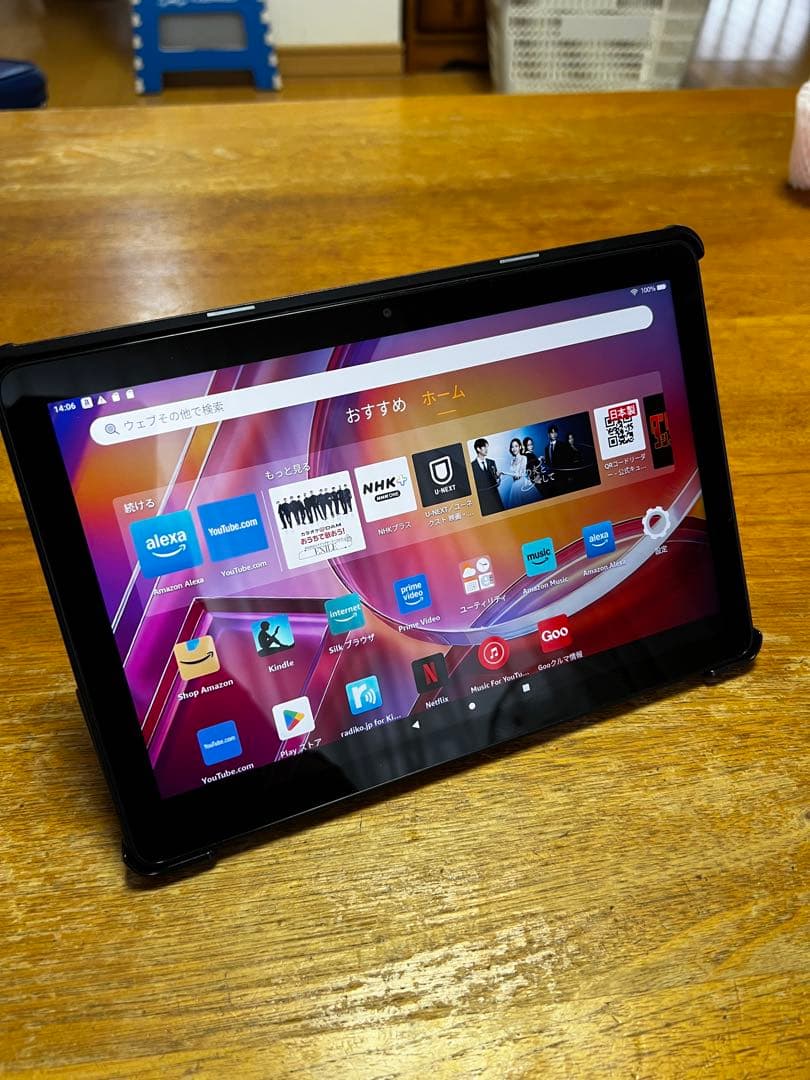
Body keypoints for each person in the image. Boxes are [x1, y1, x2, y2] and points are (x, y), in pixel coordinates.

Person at [470, 438, 505, 515]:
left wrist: (498, 476)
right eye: (484, 447)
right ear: (478, 449)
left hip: (495, 498)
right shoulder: (471, 466)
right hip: (483, 500)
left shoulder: (491, 462)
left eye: (487, 447)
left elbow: (496, 482)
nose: (487, 449)